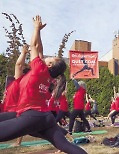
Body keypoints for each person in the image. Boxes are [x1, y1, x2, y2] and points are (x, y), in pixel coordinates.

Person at [0, 15, 87, 154]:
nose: (46, 56)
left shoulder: (40, 68)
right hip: (46, 118)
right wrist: (38, 31)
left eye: (50, 58)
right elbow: (39, 48)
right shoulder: (45, 74)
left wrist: (36, 29)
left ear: (50, 64)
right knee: (67, 147)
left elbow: (34, 46)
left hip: (33, 116)